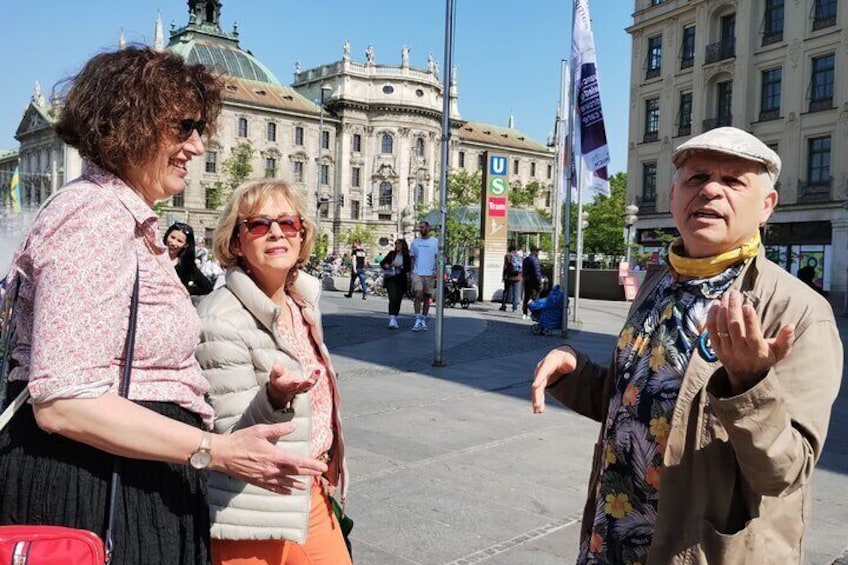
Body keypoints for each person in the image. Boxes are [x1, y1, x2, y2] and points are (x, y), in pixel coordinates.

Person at [0, 47, 327, 565]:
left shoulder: (126, 219)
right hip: (97, 487)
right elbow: (64, 401)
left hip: (132, 471)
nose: (197, 146)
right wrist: (216, 451)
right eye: (184, 127)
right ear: (129, 122)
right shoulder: (93, 214)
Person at [530, 127, 842, 564]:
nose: (711, 190)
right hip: (613, 536)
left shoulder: (798, 311)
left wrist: (750, 384)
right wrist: (575, 370)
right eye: (696, 178)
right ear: (674, 195)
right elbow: (642, 404)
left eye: (734, 181)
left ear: (766, 206)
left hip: (697, 550)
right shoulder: (658, 282)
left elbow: (785, 473)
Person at [195, 179, 350, 565]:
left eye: (288, 223)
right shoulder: (221, 319)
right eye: (259, 224)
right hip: (252, 508)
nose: (277, 232)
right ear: (236, 242)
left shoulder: (302, 304)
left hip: (310, 492)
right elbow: (231, 439)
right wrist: (275, 398)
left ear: (302, 236)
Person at [164, 221, 214, 296]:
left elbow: (207, 287)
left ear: (186, 245)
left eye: (179, 241)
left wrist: (184, 290)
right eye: (172, 237)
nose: (173, 243)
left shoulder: (187, 266)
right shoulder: (153, 257)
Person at [409, 220, 438, 331]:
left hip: (430, 273)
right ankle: (417, 318)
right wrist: (411, 273)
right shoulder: (415, 242)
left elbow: (438, 257)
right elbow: (412, 258)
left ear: (429, 228)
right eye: (420, 227)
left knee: (427, 297)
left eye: (424, 227)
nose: (422, 229)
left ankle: (423, 319)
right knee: (418, 293)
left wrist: (438, 271)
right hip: (417, 273)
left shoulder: (435, 242)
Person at [380, 238, 412, 329]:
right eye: (396, 244)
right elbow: (382, 263)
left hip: (401, 279)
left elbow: (408, 268)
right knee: (392, 297)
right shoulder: (391, 254)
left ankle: (395, 316)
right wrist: (387, 265)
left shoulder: (406, 256)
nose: (397, 246)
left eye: (399, 244)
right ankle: (392, 318)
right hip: (391, 278)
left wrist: (400, 266)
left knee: (398, 298)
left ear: (403, 246)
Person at [521, 245, 543, 320]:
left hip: (526, 281)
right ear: (535, 251)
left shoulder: (526, 259)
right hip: (534, 283)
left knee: (526, 297)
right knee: (535, 298)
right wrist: (540, 282)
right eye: (537, 251)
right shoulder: (535, 260)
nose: (538, 253)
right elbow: (537, 272)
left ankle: (524, 313)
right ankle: (534, 314)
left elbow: (523, 271)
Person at [499, 244, 522, 312]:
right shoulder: (519, 256)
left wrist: (503, 276)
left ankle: (503, 306)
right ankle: (514, 307)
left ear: (509, 249)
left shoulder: (507, 256)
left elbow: (505, 267)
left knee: (506, 291)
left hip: (509, 276)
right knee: (516, 292)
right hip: (518, 276)